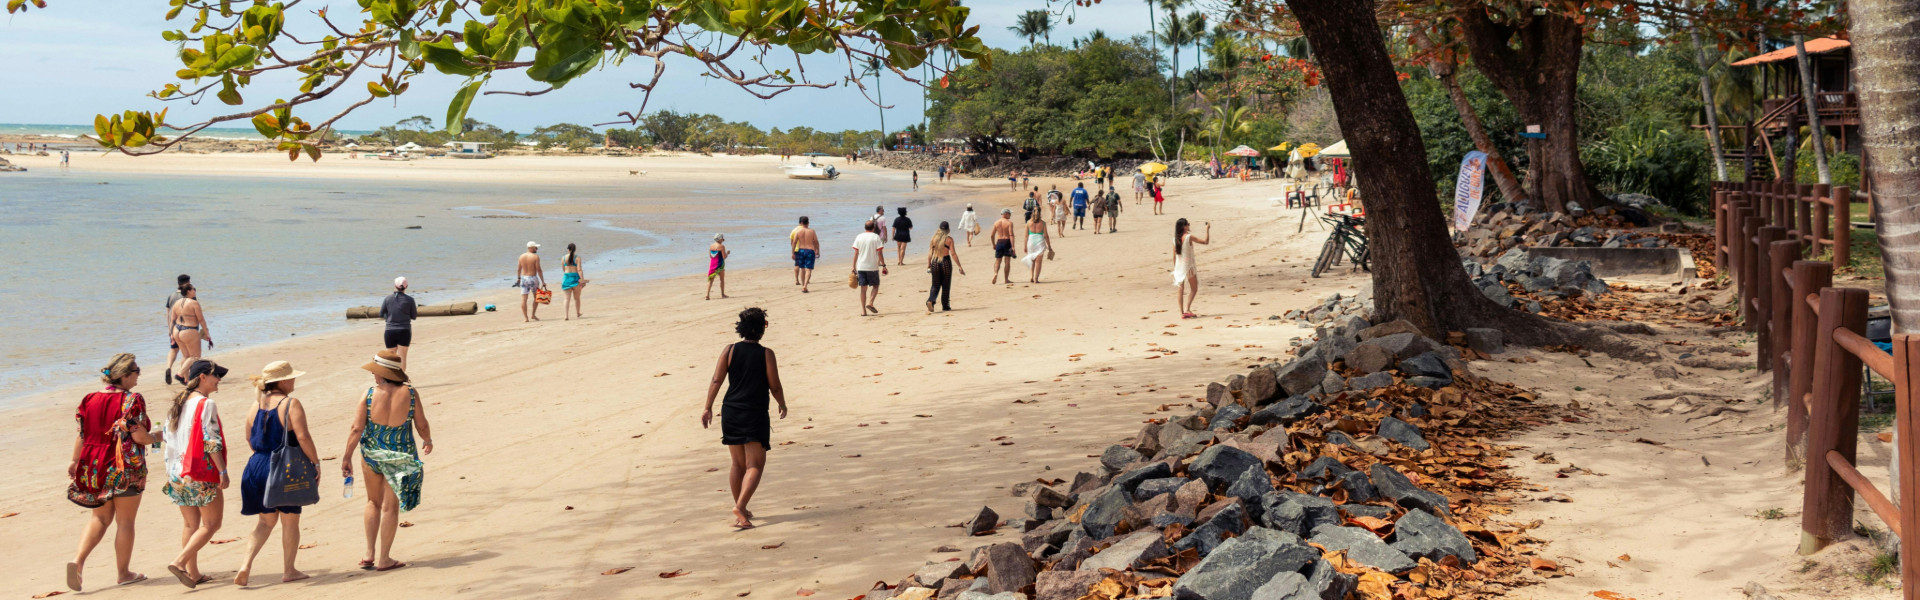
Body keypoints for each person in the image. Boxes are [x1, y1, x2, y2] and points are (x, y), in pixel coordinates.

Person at [66, 354, 156, 591]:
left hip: (93, 464)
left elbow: (82, 434)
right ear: (125, 375)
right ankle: (123, 573)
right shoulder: (132, 400)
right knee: (125, 521)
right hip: (124, 465)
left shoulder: (89, 399)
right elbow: (139, 436)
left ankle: (77, 561)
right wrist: (158, 437)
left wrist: (75, 461)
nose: (138, 375)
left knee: (99, 517)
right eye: (137, 371)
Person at [341, 350, 432, 573]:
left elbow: (356, 428)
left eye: (375, 372)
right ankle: (384, 558)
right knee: (390, 508)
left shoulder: (370, 394)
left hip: (372, 454)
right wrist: (427, 439)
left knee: (373, 502)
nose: (373, 376)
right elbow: (421, 423)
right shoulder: (410, 393)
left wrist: (347, 455)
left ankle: (369, 553)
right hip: (400, 456)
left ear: (382, 374)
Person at [700, 307, 788, 529]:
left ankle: (742, 509)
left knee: (737, 464)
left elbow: (716, 380)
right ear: (762, 329)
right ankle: (740, 507)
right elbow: (774, 385)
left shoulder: (729, 350)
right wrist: (782, 403)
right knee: (755, 465)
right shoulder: (766, 354)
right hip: (754, 412)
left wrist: (707, 407)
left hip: (731, 411)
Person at [234, 361, 319, 587]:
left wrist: (263, 460)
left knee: (265, 521)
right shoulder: (290, 403)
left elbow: (249, 439)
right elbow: (303, 437)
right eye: (291, 378)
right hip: (282, 467)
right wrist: (315, 462)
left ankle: (245, 565)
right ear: (282, 381)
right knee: (290, 521)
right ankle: (289, 570)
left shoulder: (255, 405)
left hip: (256, 466)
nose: (294, 381)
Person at [163, 359, 230, 589]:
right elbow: (211, 441)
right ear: (202, 377)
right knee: (212, 524)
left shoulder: (178, 403)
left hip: (177, 472)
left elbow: (167, 437)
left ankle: (193, 573)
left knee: (191, 525)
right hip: (200, 471)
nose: (219, 380)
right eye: (216, 375)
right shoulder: (205, 404)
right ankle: (180, 562)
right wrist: (222, 470)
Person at [169, 284, 212, 383]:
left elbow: (172, 319)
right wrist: (207, 333)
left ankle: (186, 379)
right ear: (188, 291)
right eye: (193, 289)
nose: (195, 291)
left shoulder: (176, 303)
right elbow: (201, 320)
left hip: (177, 330)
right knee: (195, 356)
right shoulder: (194, 303)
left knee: (186, 356)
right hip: (189, 330)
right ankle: (180, 374)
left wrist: (171, 333)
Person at [1173, 218, 1211, 318]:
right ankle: (1187, 308)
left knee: (1180, 289)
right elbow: (1205, 242)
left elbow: (1174, 255)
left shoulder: (1175, 239)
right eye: (1188, 224)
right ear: (1184, 226)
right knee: (1194, 289)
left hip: (1179, 267)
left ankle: (1182, 312)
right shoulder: (1188, 237)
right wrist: (1207, 229)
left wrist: (1175, 269)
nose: (1189, 226)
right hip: (1188, 266)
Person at [925, 221, 966, 313]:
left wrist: (928, 265)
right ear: (948, 230)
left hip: (935, 262)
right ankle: (945, 305)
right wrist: (960, 266)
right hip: (945, 262)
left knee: (935, 285)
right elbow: (953, 254)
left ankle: (931, 300)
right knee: (946, 284)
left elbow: (930, 254)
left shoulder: (934, 239)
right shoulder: (949, 239)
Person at [852, 220, 889, 316]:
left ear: (865, 227)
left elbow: (856, 253)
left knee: (863, 289)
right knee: (875, 286)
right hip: (872, 267)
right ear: (873, 228)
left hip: (861, 267)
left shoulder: (859, 237)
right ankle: (870, 302)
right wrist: (884, 265)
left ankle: (863, 311)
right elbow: (880, 253)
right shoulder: (876, 237)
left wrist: (853, 267)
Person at [380, 277, 417, 369]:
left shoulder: (387, 299)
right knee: (402, 358)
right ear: (406, 286)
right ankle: (401, 381)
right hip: (404, 330)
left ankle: (390, 381)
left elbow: (381, 314)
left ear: (395, 286)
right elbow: (414, 316)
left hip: (390, 331)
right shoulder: (410, 300)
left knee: (390, 359)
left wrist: (389, 318)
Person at [165, 274, 191, 384]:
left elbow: (168, 313)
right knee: (187, 354)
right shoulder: (188, 295)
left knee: (173, 349)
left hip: (173, 328)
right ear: (187, 283)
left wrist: (169, 330)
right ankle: (185, 378)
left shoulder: (171, 296)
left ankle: (168, 367)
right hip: (184, 328)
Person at [1020, 210, 1054, 283]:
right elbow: (1046, 236)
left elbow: (1026, 236)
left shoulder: (1028, 223)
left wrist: (1025, 246)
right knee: (1039, 262)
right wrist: (1049, 247)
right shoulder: (1043, 223)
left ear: (1032, 214)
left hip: (1031, 242)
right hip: (1040, 242)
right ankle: (1036, 279)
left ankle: (1031, 276)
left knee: (1032, 261)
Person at [517, 241, 546, 322]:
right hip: (532, 278)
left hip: (523, 278)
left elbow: (519, 269)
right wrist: (543, 281)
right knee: (536, 297)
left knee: (523, 299)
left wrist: (518, 278)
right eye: (536, 247)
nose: (537, 249)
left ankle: (526, 318)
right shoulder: (535, 257)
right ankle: (533, 314)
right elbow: (539, 270)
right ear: (531, 248)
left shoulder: (521, 256)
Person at [790, 216, 819, 293]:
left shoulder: (798, 232)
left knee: (802, 269)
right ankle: (805, 285)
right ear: (808, 223)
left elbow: (794, 243)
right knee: (808, 269)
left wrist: (792, 253)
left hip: (801, 251)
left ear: (801, 223)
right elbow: (816, 241)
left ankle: (803, 285)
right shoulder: (812, 231)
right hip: (810, 251)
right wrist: (817, 250)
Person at [561, 244, 590, 320]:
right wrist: (582, 280)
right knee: (577, 298)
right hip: (575, 278)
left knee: (566, 298)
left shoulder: (563, 258)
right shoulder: (577, 258)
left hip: (566, 278)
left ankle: (566, 316)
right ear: (575, 249)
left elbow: (563, 269)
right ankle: (578, 313)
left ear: (568, 249)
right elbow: (579, 270)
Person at [990, 209, 1016, 285]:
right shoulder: (1009, 223)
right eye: (1009, 214)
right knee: (1007, 261)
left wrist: (993, 244)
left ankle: (995, 273)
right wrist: (1013, 246)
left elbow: (992, 235)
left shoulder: (996, 222)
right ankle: (1006, 279)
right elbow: (1011, 234)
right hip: (1007, 241)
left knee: (998, 260)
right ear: (1006, 214)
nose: (1010, 215)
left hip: (999, 242)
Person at [707, 233, 730, 300]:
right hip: (719, 265)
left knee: (711, 281)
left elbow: (710, 256)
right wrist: (727, 253)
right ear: (720, 239)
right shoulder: (721, 246)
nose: (722, 240)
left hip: (712, 265)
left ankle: (707, 295)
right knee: (722, 280)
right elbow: (724, 257)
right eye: (722, 239)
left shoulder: (711, 246)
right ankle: (722, 294)